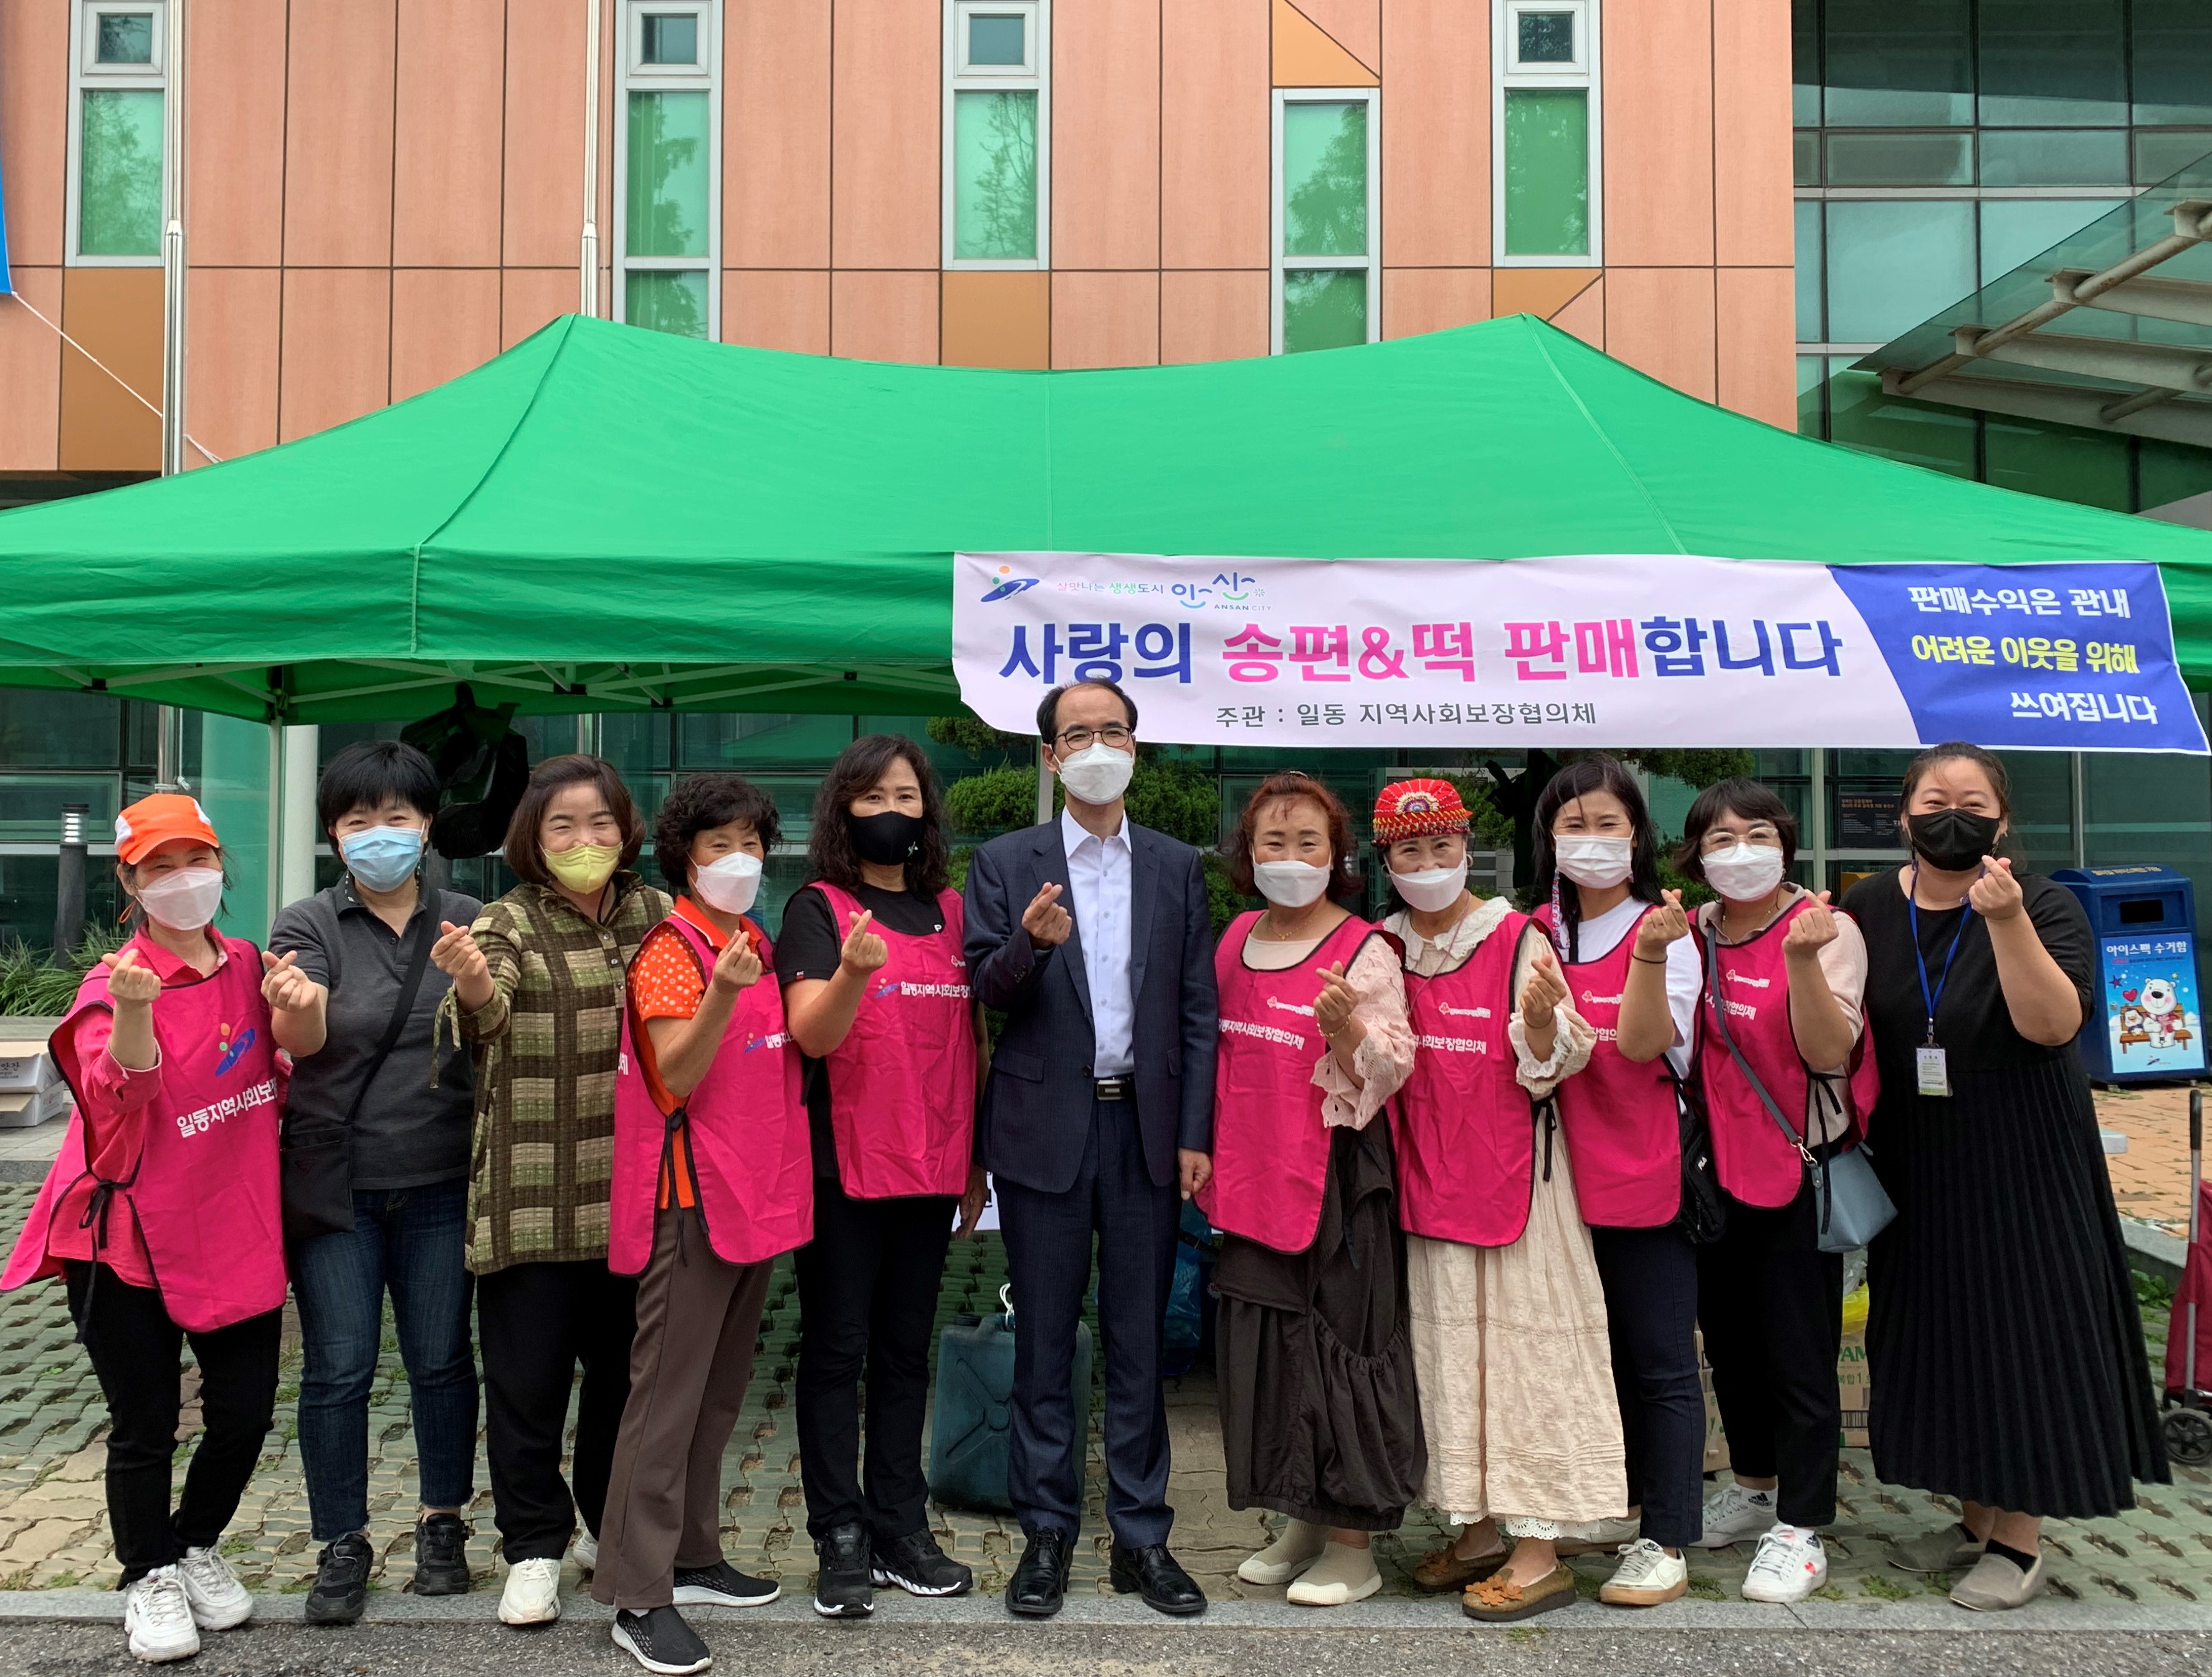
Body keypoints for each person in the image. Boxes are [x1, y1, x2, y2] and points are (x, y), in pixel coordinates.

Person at [1842, 742, 2166, 1612]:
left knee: (2021, 1334)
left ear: (2002, 820)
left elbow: (2054, 1024)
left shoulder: (2044, 904)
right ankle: (1973, 1515)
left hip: (2021, 1150)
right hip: (1914, 1155)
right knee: (1938, 1337)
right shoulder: (1869, 905)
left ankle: (2019, 1541)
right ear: (1903, 815)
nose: (1952, 814)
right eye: (1933, 798)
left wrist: (2007, 919)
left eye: (1971, 801)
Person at [1, 795, 307, 1663]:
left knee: (244, 1413)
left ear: (220, 866)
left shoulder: (248, 963)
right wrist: (136, 1010)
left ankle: (194, 1542)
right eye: (160, 867)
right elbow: (114, 1103)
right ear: (128, 881)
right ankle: (146, 1576)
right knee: (144, 1423)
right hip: (123, 1241)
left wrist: (301, 1006)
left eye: (196, 861)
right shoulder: (112, 984)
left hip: (233, 1223)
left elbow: (292, 1058)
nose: (184, 881)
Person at [963, 679, 1218, 1619]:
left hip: (1146, 1131)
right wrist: (1028, 945)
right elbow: (985, 992)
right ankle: (1046, 1533)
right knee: (1042, 1342)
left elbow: (1196, 1010)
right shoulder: (1003, 859)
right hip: (1044, 1135)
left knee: (1139, 1345)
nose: (1097, 744)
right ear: (1050, 756)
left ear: (1135, 749)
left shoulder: (1172, 864)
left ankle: (1143, 1538)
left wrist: (1195, 1133)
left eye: (1113, 730)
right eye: (1078, 733)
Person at [1370, 779, 1628, 1625]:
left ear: (1466, 849)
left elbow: (1562, 1059)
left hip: (1522, 1186)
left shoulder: (1518, 938)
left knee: (1530, 1363)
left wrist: (1548, 1029)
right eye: (1409, 851)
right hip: (1427, 1181)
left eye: (1442, 847)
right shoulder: (1382, 944)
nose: (1428, 864)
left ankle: (1538, 1551)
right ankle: (1478, 1531)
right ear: (1386, 860)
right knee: (1451, 1364)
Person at [432, 754, 671, 1627]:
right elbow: (486, 1012)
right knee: (526, 1387)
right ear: (532, 836)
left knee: (622, 1383)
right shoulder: (506, 919)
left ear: (626, 827)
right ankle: (531, 1544)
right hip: (532, 1197)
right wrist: (470, 980)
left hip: (638, 1197)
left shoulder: (660, 915)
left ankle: (607, 1533)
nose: (583, 839)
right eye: (562, 824)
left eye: (600, 821)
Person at [593, 774, 814, 1675]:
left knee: (719, 1395)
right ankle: (636, 1593)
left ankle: (692, 1553)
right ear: (685, 854)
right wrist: (722, 994)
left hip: (751, 1195)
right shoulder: (670, 949)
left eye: (753, 844)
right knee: (664, 1400)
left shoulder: (750, 936)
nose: (739, 860)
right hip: (689, 1198)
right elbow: (673, 1075)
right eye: (720, 844)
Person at [268, 741, 481, 1625]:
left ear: (427, 827)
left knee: (439, 1362)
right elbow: (302, 1038)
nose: (380, 835)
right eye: (360, 821)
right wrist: (301, 1010)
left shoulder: (470, 918)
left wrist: (477, 983)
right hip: (337, 1190)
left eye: (398, 818)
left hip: (442, 1181)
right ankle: (340, 1542)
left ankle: (443, 1522)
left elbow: (496, 1031)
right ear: (334, 834)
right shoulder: (307, 925)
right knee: (339, 1369)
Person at [776, 735, 989, 1618]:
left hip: (933, 1164)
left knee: (904, 1352)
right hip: (842, 1167)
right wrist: (854, 976)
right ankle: (840, 1532)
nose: (890, 810)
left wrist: (978, 1164)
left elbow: (974, 1043)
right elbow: (811, 1036)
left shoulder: (951, 908)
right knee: (835, 1350)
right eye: (870, 798)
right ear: (841, 812)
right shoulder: (817, 909)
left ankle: (900, 1523)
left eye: (905, 794)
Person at [1201, 774, 1423, 1607]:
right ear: (1247, 854)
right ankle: (1298, 1514)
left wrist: (1348, 1028)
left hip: (1335, 1185)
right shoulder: (1234, 940)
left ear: (1336, 858)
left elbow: (1394, 1065)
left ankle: (1353, 1545)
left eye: (1307, 845)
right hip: (1247, 1176)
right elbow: (1211, 1056)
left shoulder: (1363, 947)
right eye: (1272, 843)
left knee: (1340, 1356)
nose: (1289, 858)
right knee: (1269, 1355)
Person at [1663, 778, 1872, 1604]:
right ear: (1695, 855)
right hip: (1715, 1176)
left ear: (1785, 843)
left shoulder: (1827, 931)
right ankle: (1752, 1489)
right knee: (1733, 1347)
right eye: (1718, 839)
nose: (1737, 852)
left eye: (1754, 834)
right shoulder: (1692, 931)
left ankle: (1802, 1522)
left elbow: (1831, 1052)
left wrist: (1799, 962)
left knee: (1796, 1352)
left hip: (1796, 1170)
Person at [1530, 754, 1704, 1606]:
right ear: (1548, 839)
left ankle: (1668, 1536)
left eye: (1607, 823)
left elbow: (1642, 1046)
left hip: (1640, 1166)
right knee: (1580, 1354)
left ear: (1636, 835)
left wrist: (1643, 958)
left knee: (1659, 1358)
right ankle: (1613, 1498)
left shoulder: (1663, 930)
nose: (1591, 840)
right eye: (1573, 825)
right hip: (1551, 1181)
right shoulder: (1534, 931)